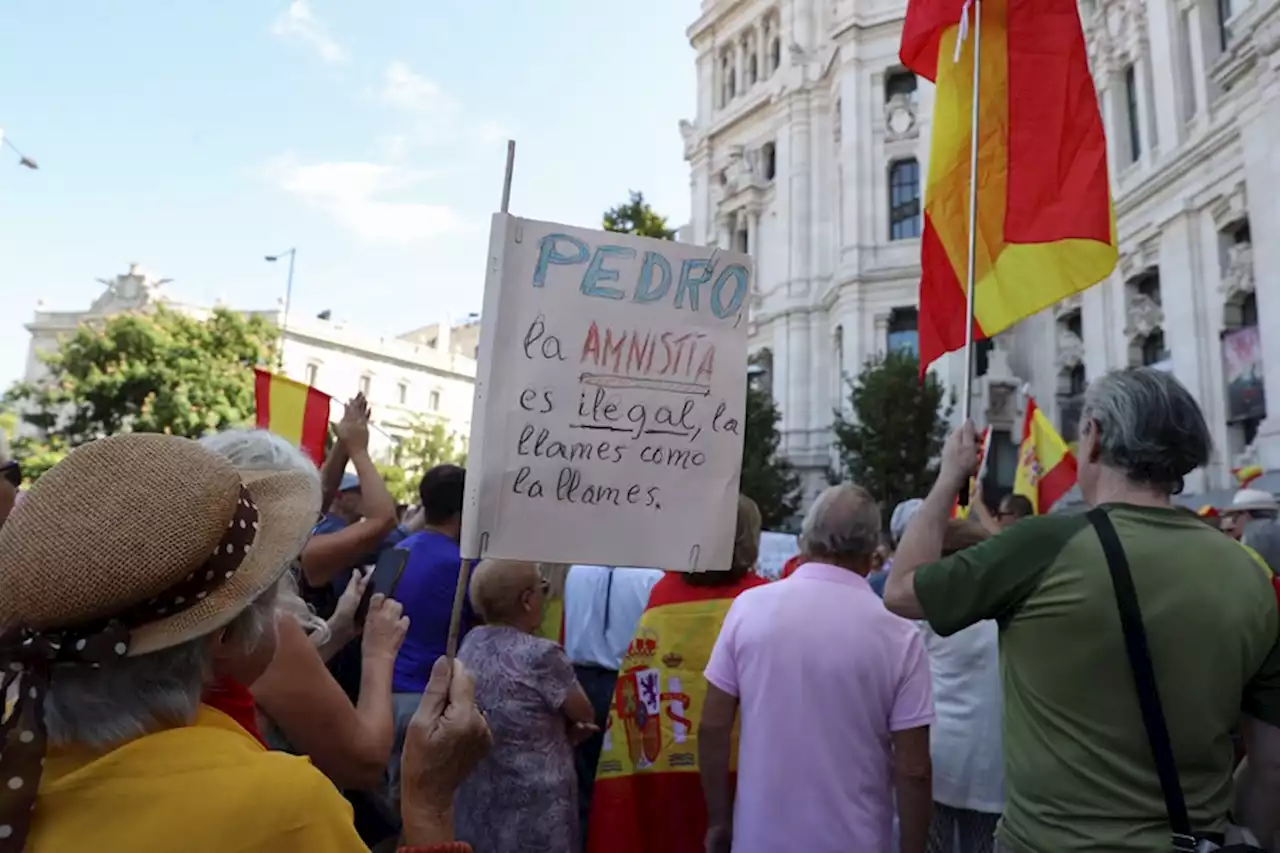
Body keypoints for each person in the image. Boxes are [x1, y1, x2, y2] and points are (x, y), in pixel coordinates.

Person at [0, 432, 491, 853]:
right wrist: (428, 804)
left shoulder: (19, 754)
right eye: (270, 585)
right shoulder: (282, 806)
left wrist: (339, 630)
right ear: (226, 633)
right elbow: (361, 758)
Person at [884, 367, 1280, 852]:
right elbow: (1271, 760)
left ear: (1094, 437)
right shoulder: (1249, 574)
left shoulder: (1042, 545)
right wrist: (1242, 832)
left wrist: (948, 476)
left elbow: (901, 590)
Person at [701, 484, 934, 853]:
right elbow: (914, 769)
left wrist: (719, 821)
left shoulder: (749, 609)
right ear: (872, 552)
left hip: (760, 838)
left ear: (804, 540)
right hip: (857, 839)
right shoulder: (899, 635)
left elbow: (713, 727)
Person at [199, 429, 407, 800]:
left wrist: (339, 630)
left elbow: (262, 683)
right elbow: (363, 762)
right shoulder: (256, 620)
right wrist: (379, 653)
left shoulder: (178, 594)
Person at [587, 495, 769, 853]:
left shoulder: (663, 593)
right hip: (746, 765)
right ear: (749, 539)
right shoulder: (763, 597)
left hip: (663, 762)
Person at [453, 559, 598, 853]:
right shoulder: (541, 654)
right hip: (534, 803)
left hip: (479, 792)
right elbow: (584, 713)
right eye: (542, 589)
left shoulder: (472, 641)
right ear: (527, 600)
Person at [563, 563, 664, 841]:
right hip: (633, 679)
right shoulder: (651, 576)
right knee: (632, 787)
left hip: (582, 678)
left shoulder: (579, 570)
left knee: (582, 786)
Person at [388, 465, 472, 794]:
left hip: (384, 695)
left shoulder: (396, 552)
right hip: (429, 701)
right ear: (463, 511)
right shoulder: (465, 566)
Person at [921, 520, 1003, 853]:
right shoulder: (1010, 607)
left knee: (934, 846)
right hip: (995, 760)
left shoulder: (927, 611)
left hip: (937, 757)